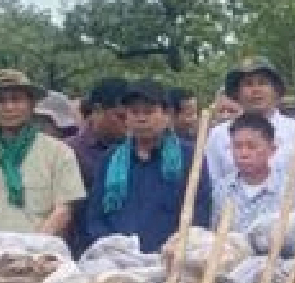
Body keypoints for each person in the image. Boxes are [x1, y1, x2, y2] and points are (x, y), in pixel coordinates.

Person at [0, 70, 88, 236]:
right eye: (0, 101)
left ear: (31, 105)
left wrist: (33, 244)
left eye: (16, 99)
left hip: (41, 248)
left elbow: (64, 210)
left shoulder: (59, 152)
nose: (9, 107)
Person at [81, 82, 211, 252]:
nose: (141, 119)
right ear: (126, 117)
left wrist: (174, 249)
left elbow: (200, 214)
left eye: (149, 112)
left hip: (171, 256)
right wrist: (113, 247)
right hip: (117, 257)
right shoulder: (110, 159)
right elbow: (95, 217)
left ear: (167, 115)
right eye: (134, 112)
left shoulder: (190, 157)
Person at [206, 57, 295, 188]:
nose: (256, 90)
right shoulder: (219, 135)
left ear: (275, 90)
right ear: (237, 93)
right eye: (248, 84)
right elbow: (213, 183)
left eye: (262, 83)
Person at [213, 113, 295, 236]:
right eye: (237, 146)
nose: (244, 153)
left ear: (272, 149)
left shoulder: (291, 191)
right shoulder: (222, 190)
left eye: (252, 147)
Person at [70, 78, 131, 193]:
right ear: (98, 110)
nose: (128, 123)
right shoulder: (70, 152)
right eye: (121, 117)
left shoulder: (138, 149)